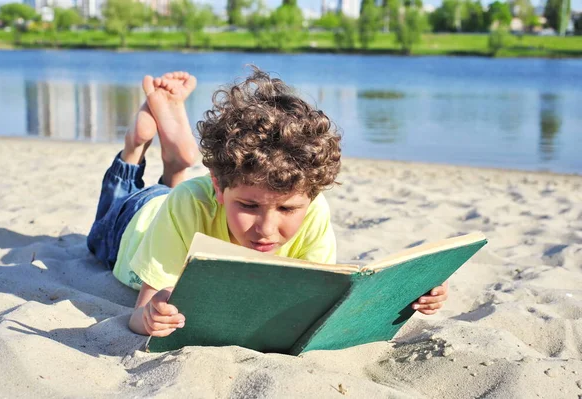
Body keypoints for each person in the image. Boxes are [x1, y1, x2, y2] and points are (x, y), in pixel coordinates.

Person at [87, 67, 449, 337]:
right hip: (141, 219)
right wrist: (150, 315)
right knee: (104, 229)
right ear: (218, 184)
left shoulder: (314, 212)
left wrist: (408, 296)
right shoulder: (188, 204)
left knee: (180, 191)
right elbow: (138, 314)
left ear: (312, 196)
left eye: (288, 209)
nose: (267, 229)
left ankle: (176, 164)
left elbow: (321, 306)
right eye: (248, 206)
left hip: (194, 201)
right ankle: (136, 151)